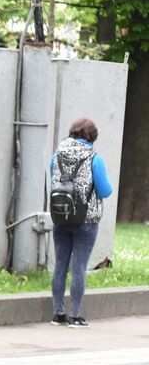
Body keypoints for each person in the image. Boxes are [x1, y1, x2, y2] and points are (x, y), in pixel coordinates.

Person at [48, 118, 114, 328]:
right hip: (86, 220)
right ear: (92, 137)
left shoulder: (56, 155)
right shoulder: (94, 158)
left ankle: (58, 314)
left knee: (60, 266)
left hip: (61, 216)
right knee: (78, 267)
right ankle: (75, 316)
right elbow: (105, 191)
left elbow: (53, 179)